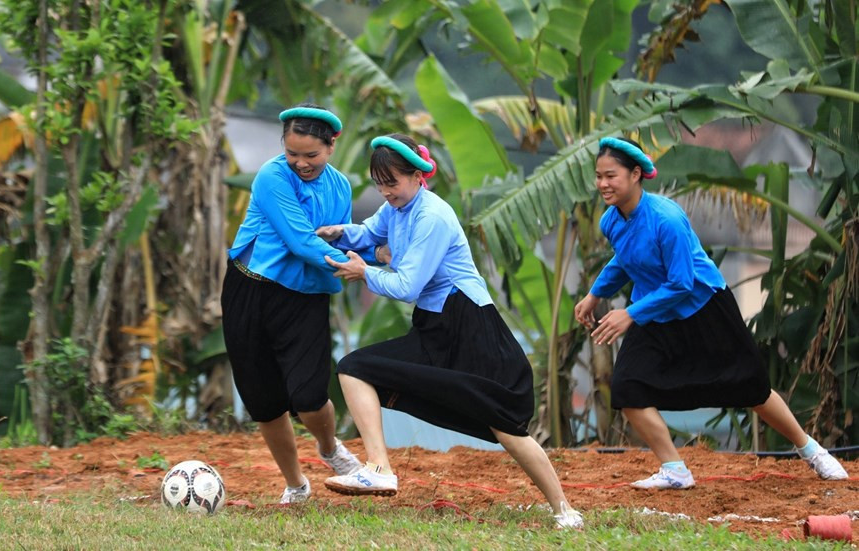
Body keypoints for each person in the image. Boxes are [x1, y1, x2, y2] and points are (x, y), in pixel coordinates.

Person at [316, 134, 584, 529]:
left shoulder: (433, 216)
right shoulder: (395, 208)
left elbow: (407, 286)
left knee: (505, 425)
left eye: (392, 182)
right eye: (379, 184)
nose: (385, 192)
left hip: (470, 324)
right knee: (353, 368)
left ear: (417, 175)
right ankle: (379, 469)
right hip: (433, 326)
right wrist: (336, 233)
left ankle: (564, 509)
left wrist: (365, 271)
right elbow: (369, 234)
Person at [573, 136, 849, 490]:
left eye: (611, 175)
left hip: (702, 308)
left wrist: (629, 315)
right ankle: (674, 469)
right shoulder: (611, 221)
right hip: (653, 312)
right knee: (627, 388)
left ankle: (811, 450)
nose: (603, 184)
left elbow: (682, 283)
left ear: (636, 174)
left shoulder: (666, 219)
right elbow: (624, 259)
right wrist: (595, 294)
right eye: (598, 176)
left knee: (753, 389)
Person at [221, 103, 369, 504]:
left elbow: (337, 237)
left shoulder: (340, 186)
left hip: (305, 296)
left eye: (311, 155)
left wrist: (370, 258)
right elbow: (302, 241)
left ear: (331, 146)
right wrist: (359, 267)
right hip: (251, 290)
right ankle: (295, 484)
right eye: (292, 153)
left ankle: (330, 449)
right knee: (264, 400)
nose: (301, 163)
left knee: (309, 395)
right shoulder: (272, 176)